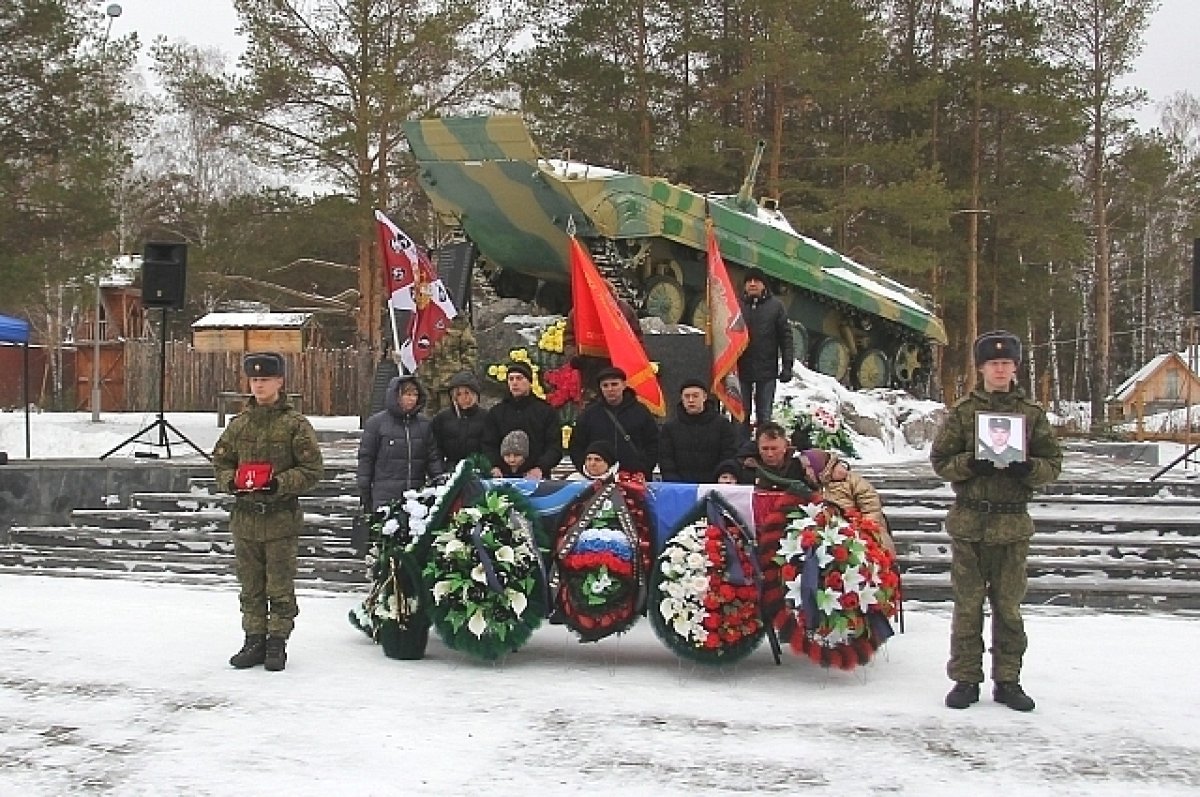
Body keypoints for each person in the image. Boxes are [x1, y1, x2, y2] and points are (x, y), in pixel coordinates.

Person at [930, 330, 1062, 713]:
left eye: (1006, 363)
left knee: (1008, 608)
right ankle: (966, 679)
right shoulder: (964, 413)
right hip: (970, 520)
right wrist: (967, 464)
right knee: (967, 606)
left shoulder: (1032, 415)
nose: (1000, 369)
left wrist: (1027, 468)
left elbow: (1053, 465)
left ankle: (1008, 680)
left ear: (1015, 367)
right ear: (982, 368)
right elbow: (940, 461)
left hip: (1012, 525)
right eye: (993, 363)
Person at [212, 352, 324, 672]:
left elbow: (313, 469)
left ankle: (277, 642)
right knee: (250, 585)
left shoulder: (295, 425)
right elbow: (220, 461)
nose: (259, 385)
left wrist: (281, 483)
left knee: (279, 584)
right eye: (255, 380)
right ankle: (254, 639)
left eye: (265, 379)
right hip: (246, 518)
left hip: (280, 518)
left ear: (279, 382)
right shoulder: (239, 425)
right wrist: (230, 482)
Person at [357, 374, 445, 512]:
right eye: (407, 394)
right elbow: (367, 458)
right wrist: (365, 490)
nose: (411, 399)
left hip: (415, 497)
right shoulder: (377, 423)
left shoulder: (423, 425)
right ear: (396, 396)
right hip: (385, 497)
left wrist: (439, 480)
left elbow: (432, 456)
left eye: (415, 395)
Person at [568, 366, 660, 481]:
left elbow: (653, 442)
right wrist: (586, 470)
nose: (610, 389)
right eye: (605, 385)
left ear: (624, 385)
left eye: (614, 384)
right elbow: (576, 445)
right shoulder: (589, 414)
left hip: (634, 478)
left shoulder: (640, 411)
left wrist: (644, 468)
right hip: (597, 481)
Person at [482, 361, 563, 480]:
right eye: (511, 379)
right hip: (503, 478)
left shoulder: (546, 411)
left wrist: (540, 468)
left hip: (536, 478)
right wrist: (494, 466)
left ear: (529, 381)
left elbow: (554, 446)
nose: (514, 383)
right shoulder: (496, 413)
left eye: (519, 378)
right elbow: (488, 444)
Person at [737, 267, 795, 435]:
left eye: (757, 281)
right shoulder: (736, 305)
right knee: (740, 415)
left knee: (764, 416)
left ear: (764, 285)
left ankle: (763, 451)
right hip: (741, 368)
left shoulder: (776, 307)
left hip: (766, 370)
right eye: (749, 281)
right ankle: (741, 452)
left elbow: (786, 338)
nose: (753, 284)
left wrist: (787, 365)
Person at [803, 449, 894, 553]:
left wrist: (860, 532)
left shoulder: (853, 482)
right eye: (805, 468)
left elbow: (871, 511)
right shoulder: (815, 486)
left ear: (819, 467)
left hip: (861, 537)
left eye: (809, 467)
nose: (806, 472)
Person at [658, 379, 739, 483]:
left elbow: (728, 454)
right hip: (680, 487)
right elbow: (666, 459)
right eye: (687, 396)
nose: (691, 400)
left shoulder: (722, 425)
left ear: (704, 397)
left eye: (695, 396)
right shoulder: (670, 427)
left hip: (713, 485)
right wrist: (674, 482)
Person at [421, 315, 478, 416]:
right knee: (428, 422)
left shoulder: (459, 323)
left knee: (453, 420)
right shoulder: (423, 316)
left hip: (452, 385)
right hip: (428, 383)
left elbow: (470, 350)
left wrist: (463, 378)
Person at [431, 370, 489, 468]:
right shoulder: (442, 418)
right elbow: (435, 449)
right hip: (450, 470)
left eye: (467, 393)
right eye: (458, 394)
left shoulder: (486, 417)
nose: (463, 398)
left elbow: (489, 447)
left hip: (478, 469)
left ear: (475, 394)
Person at [751, 422, 813, 497]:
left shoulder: (800, 467)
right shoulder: (748, 467)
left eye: (774, 449)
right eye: (765, 449)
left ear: (785, 447)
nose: (770, 454)